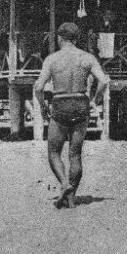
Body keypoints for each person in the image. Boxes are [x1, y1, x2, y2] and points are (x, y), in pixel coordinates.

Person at [34, 22, 110, 209]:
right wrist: (97, 99)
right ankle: (71, 197)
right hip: (80, 104)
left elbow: (38, 87)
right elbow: (103, 80)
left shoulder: (52, 59)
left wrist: (43, 106)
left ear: (59, 38)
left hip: (60, 103)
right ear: (76, 39)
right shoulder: (87, 57)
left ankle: (64, 184)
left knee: (53, 152)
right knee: (75, 154)